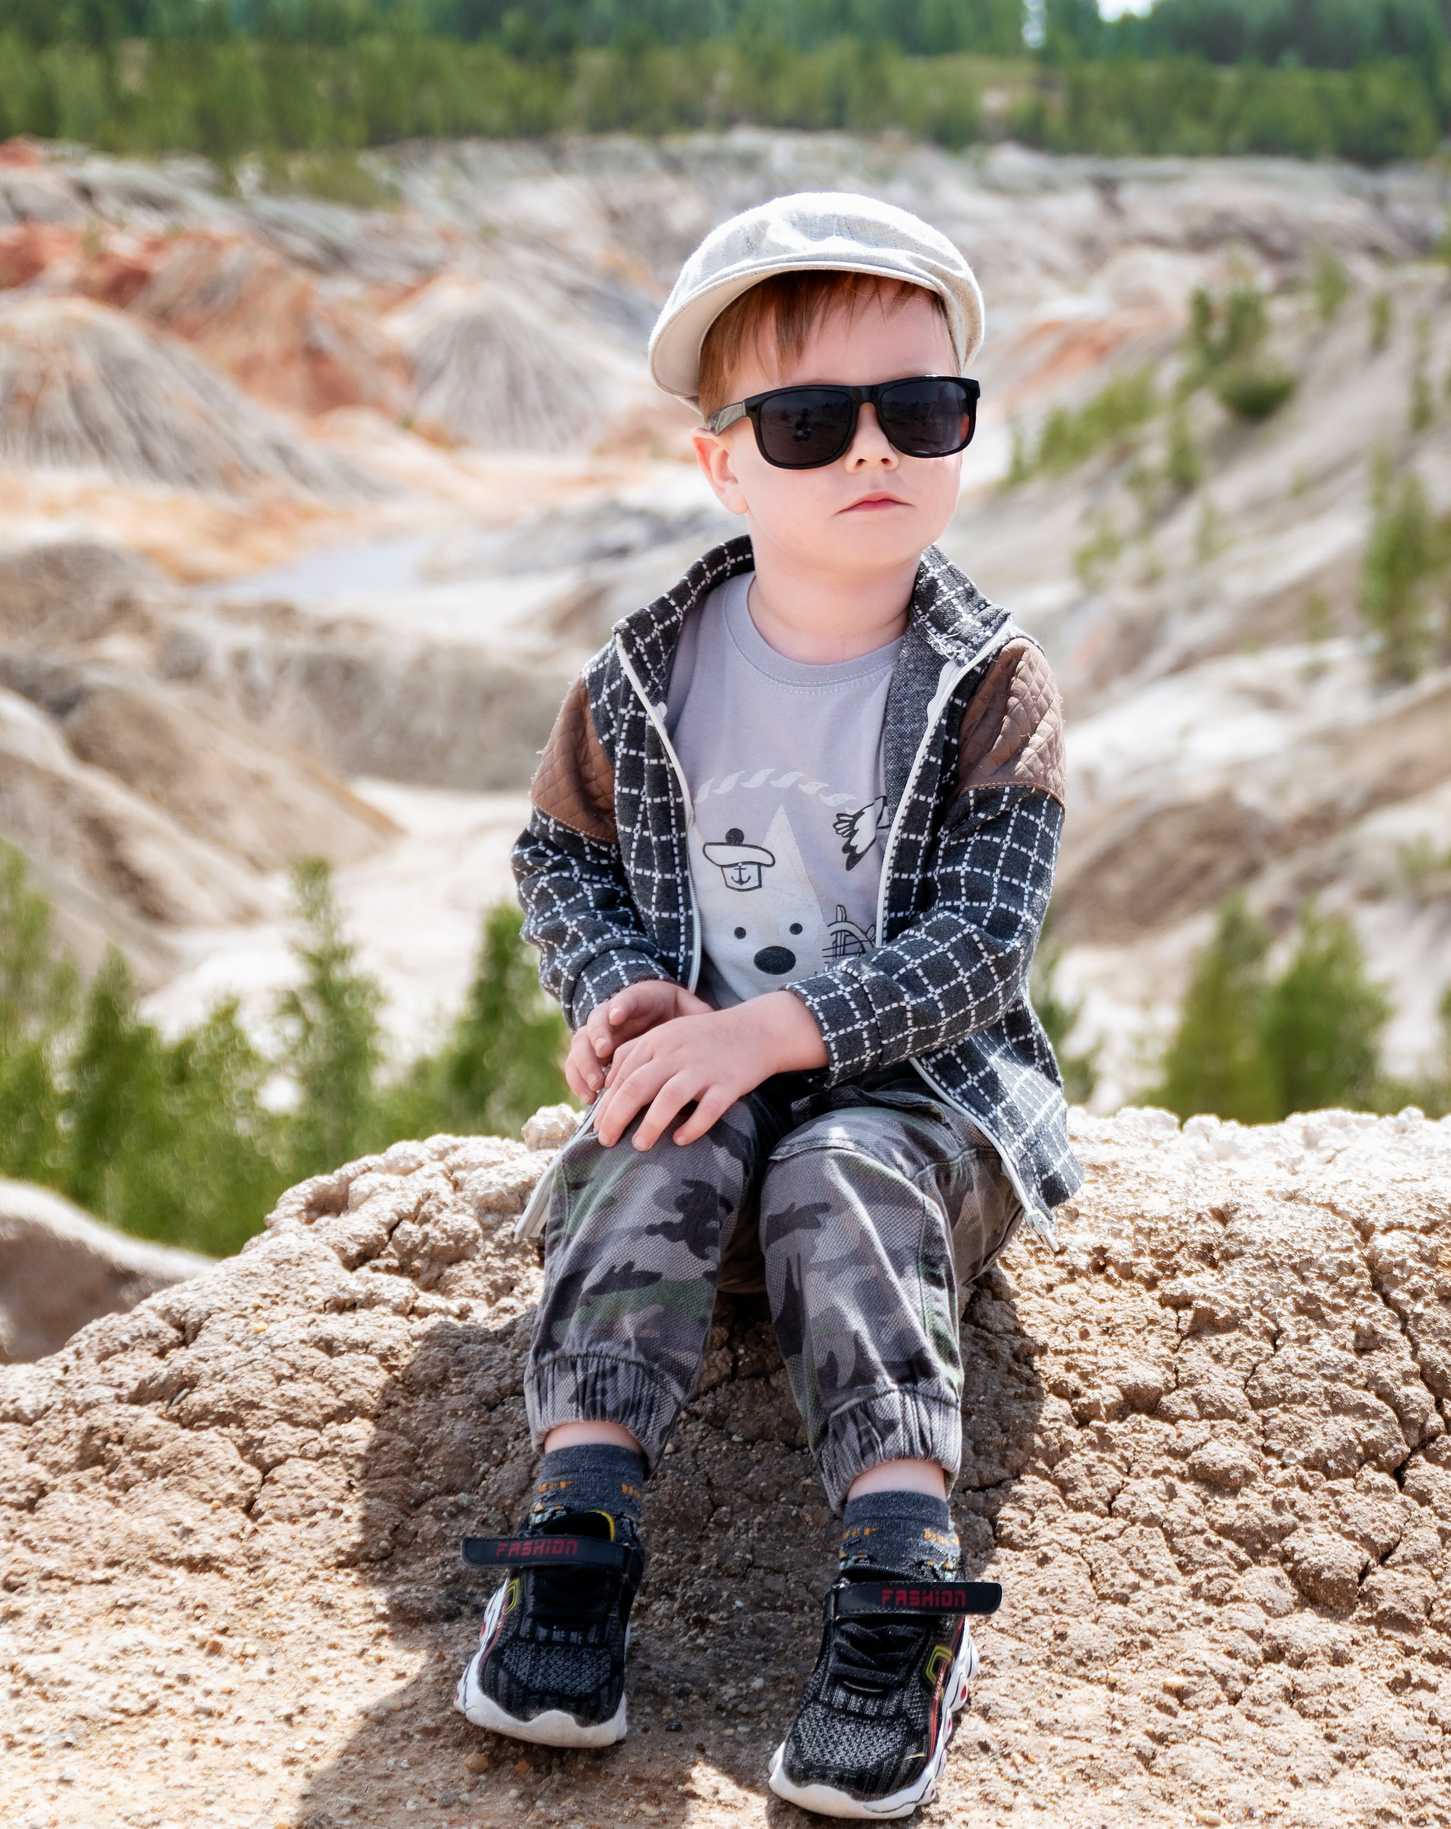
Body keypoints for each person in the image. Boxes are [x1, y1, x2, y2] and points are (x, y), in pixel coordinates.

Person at [452, 191, 1077, 1822]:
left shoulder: (989, 684)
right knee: (646, 1145)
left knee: (841, 1171)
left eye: (921, 409)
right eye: (811, 421)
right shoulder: (645, 676)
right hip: (711, 1114)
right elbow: (560, 858)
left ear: (962, 429)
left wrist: (769, 1034)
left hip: (919, 1115)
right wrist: (615, 1000)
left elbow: (981, 948)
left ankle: (900, 1581)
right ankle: (575, 1540)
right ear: (725, 459)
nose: (873, 449)